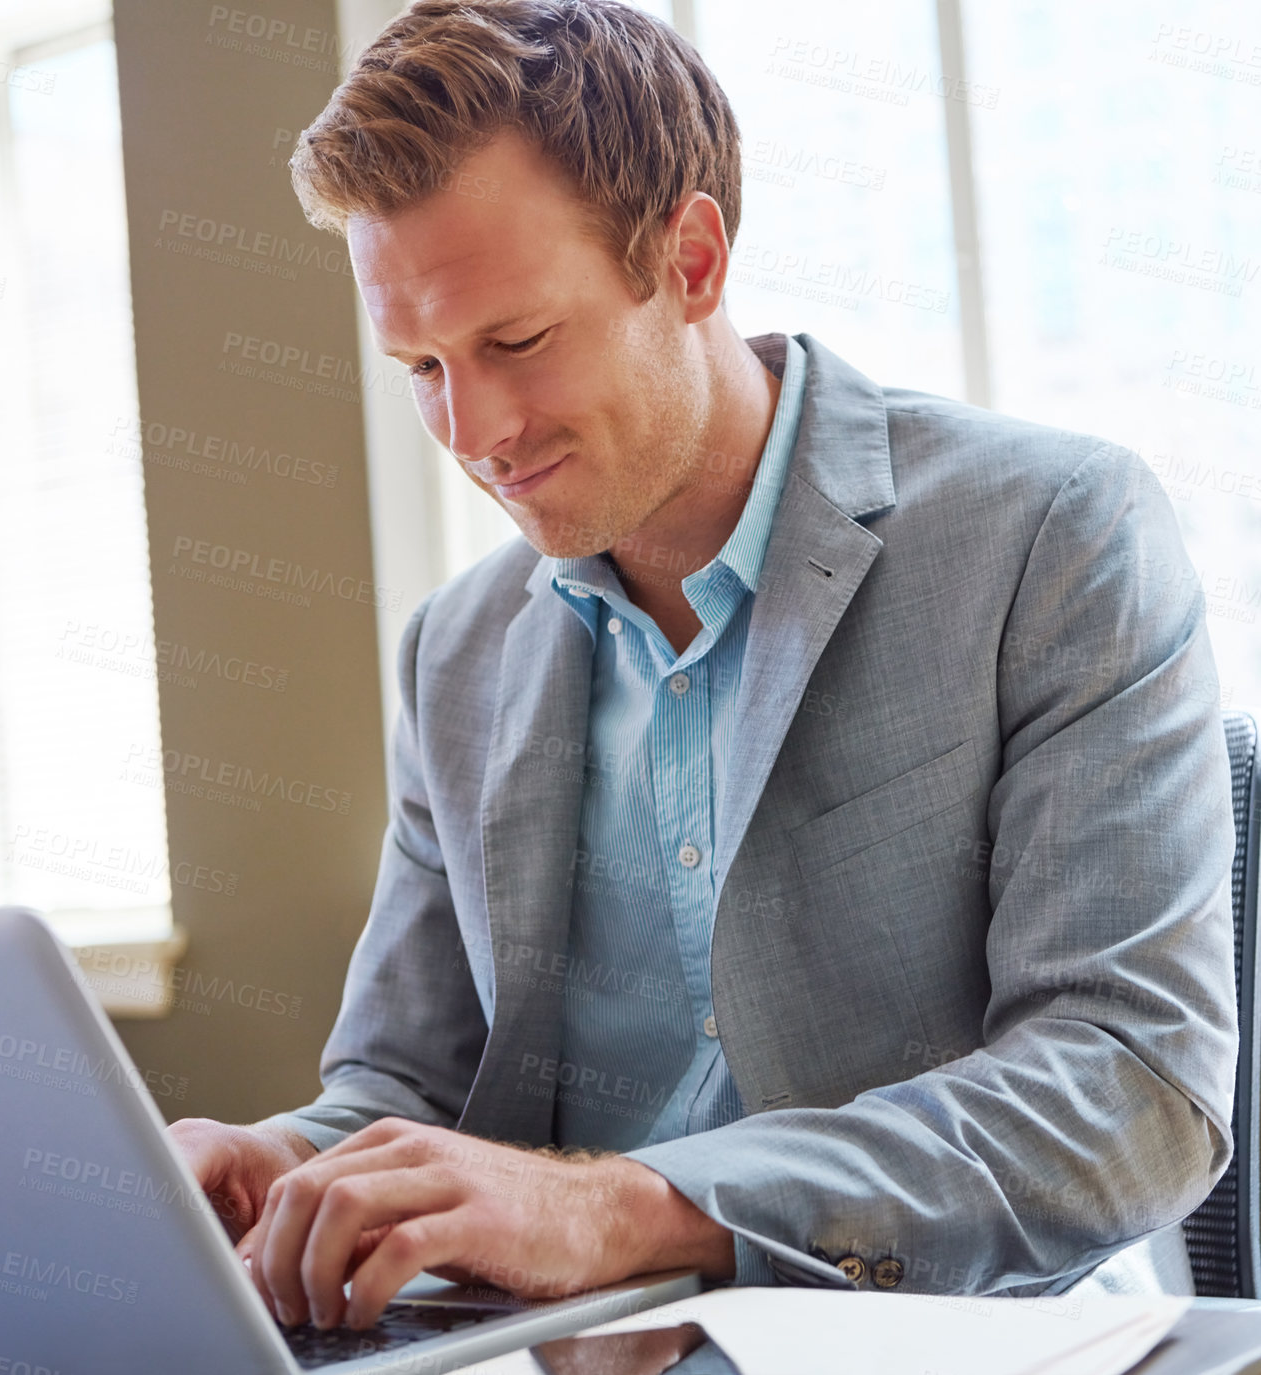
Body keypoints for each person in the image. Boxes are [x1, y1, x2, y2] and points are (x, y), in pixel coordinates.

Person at [168, 0, 1239, 1333]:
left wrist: (617, 1211)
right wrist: (291, 1167)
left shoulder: (1049, 534)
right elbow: (403, 1091)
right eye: (421, 367)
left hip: (964, 1334)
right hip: (556, 1353)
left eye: (515, 343)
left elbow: (1129, 1091)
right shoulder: (457, 654)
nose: (474, 430)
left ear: (688, 259)